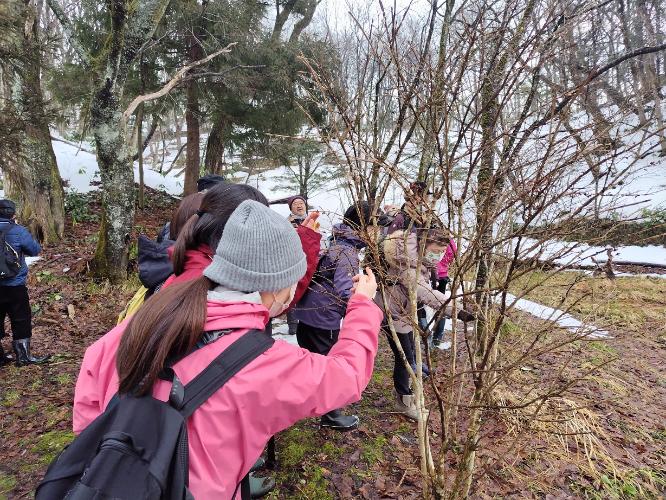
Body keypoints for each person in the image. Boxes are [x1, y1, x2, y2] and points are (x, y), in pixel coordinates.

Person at [73, 200, 382, 499]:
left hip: (105, 482)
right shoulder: (265, 363)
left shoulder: (150, 316)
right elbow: (347, 376)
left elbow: (89, 409)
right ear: (273, 285)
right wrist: (362, 305)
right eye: (293, 281)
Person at [292, 202, 371, 431]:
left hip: (308, 311)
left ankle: (308, 400)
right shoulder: (348, 252)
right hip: (323, 316)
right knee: (330, 367)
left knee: (312, 360)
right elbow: (345, 291)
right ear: (364, 226)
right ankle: (331, 415)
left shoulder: (336, 241)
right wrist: (363, 303)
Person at [379, 227, 472, 419]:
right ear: (422, 244)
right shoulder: (407, 264)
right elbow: (424, 292)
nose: (437, 256)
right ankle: (404, 402)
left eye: (441, 252)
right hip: (394, 314)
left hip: (402, 313)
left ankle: (407, 395)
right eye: (435, 250)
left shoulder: (414, 259)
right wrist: (457, 310)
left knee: (409, 354)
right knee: (405, 359)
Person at [0, 199, 49, 367]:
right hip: (15, 285)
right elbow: (34, 250)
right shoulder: (18, 231)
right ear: (13, 214)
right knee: (21, 318)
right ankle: (23, 356)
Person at [431, 238, 458, 348]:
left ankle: (433, 336)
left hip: (432, 274)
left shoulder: (429, 235)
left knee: (427, 306)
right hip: (442, 276)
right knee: (440, 305)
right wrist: (445, 265)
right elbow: (453, 253)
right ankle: (437, 337)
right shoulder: (448, 239)